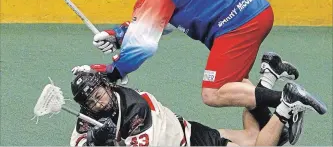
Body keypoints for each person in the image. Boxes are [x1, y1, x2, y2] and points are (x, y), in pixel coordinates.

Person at [76, 0, 303, 143]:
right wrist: (117, 35)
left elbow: (143, 44)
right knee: (234, 85)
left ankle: (287, 101)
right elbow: (160, 21)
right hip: (252, 11)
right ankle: (271, 93)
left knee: (213, 93)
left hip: (237, 25)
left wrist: (114, 70)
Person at [69, 71, 327, 146]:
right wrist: (91, 140)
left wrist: (108, 143)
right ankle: (268, 75)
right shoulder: (91, 114)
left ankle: (285, 105)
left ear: (106, 86)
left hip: (191, 142)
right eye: (90, 101)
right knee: (252, 138)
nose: (97, 102)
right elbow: (77, 142)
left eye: (98, 94)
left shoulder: (136, 109)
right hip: (190, 131)